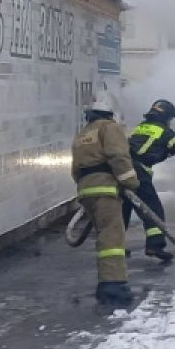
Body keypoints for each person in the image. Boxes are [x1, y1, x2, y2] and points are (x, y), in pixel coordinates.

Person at [71, 92, 141, 306]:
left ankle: (106, 283)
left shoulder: (83, 134)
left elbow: (75, 169)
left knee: (103, 237)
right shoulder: (109, 128)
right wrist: (131, 182)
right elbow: (118, 155)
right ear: (111, 112)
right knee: (112, 238)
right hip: (106, 189)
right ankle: (114, 286)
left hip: (86, 191)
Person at [122, 99, 175, 263]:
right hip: (138, 172)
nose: (170, 122)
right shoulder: (166, 132)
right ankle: (155, 246)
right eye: (170, 119)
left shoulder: (141, 127)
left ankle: (116, 244)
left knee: (123, 209)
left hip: (122, 169)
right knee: (153, 209)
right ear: (166, 117)